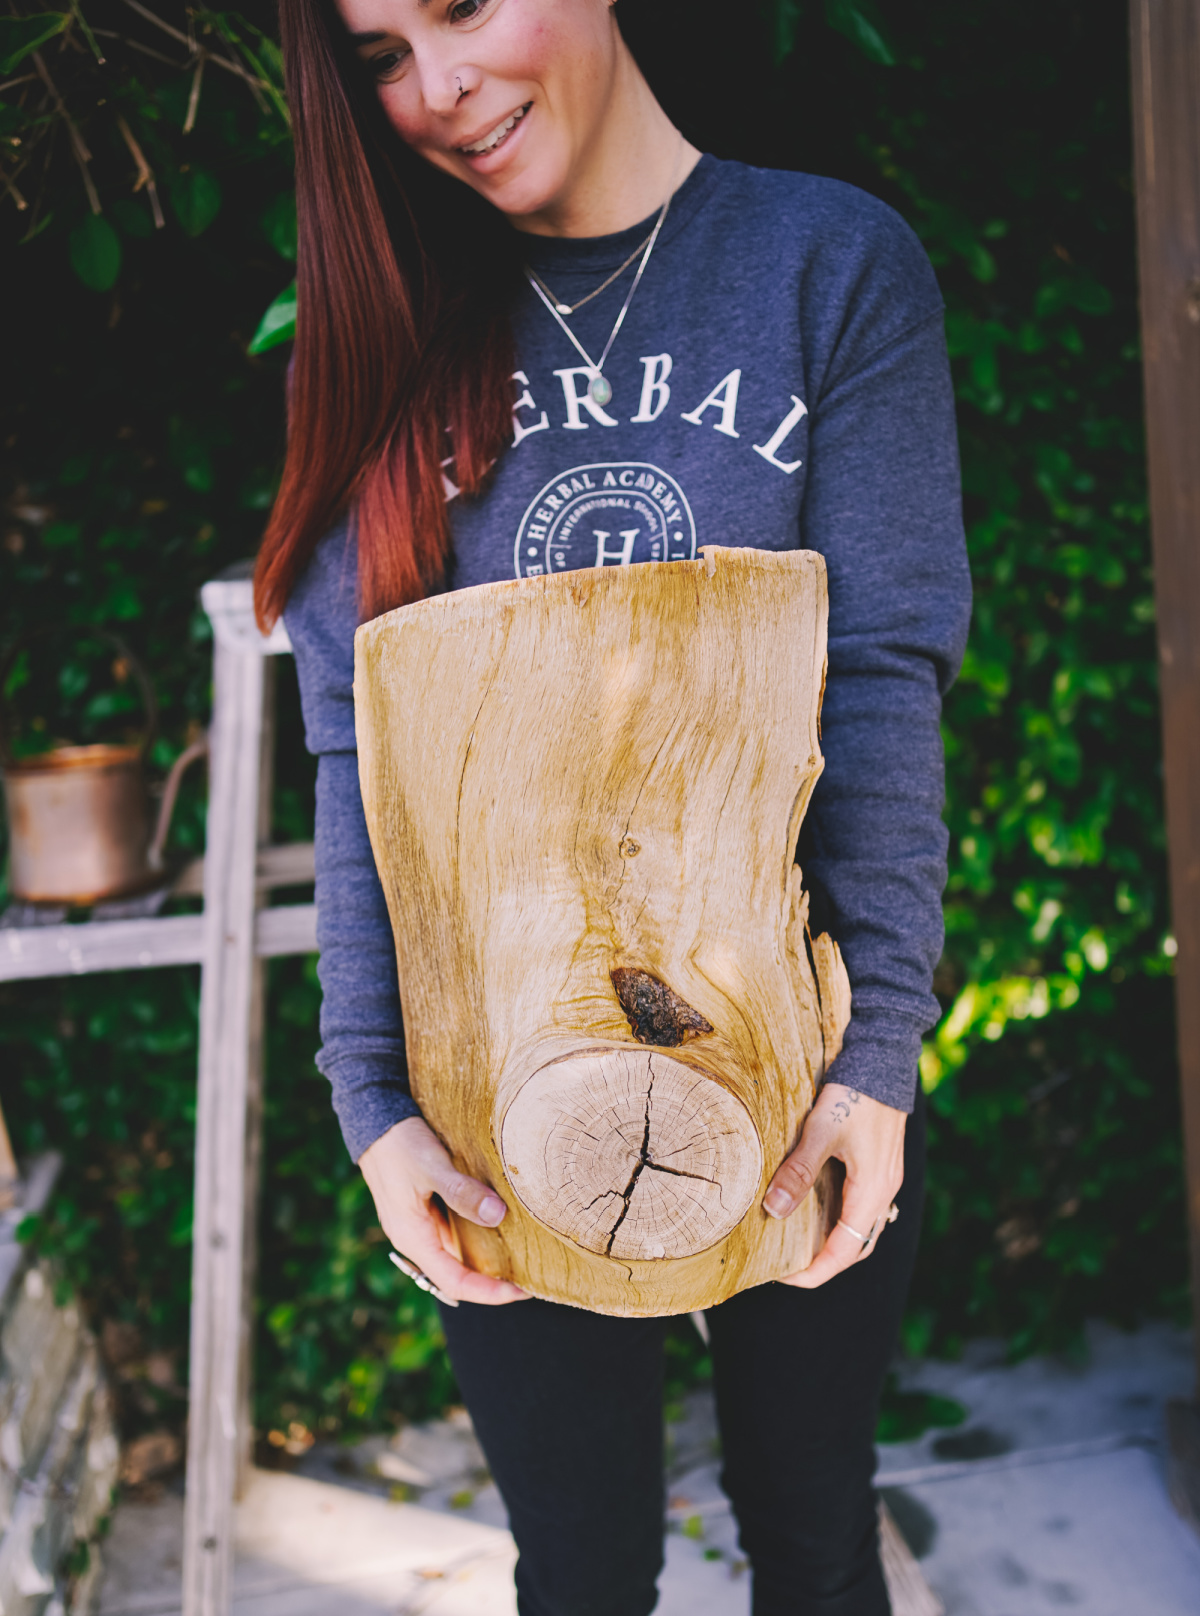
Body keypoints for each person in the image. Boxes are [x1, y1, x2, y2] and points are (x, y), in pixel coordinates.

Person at [257, 2, 972, 1611]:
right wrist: (374, 1099)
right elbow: (353, 756)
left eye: (459, 7)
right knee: (578, 1570)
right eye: (377, 54)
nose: (435, 89)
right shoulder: (378, 332)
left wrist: (875, 1059)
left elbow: (879, 681)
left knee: (811, 1527)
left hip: (794, 1057)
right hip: (490, 1089)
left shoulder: (824, 265)